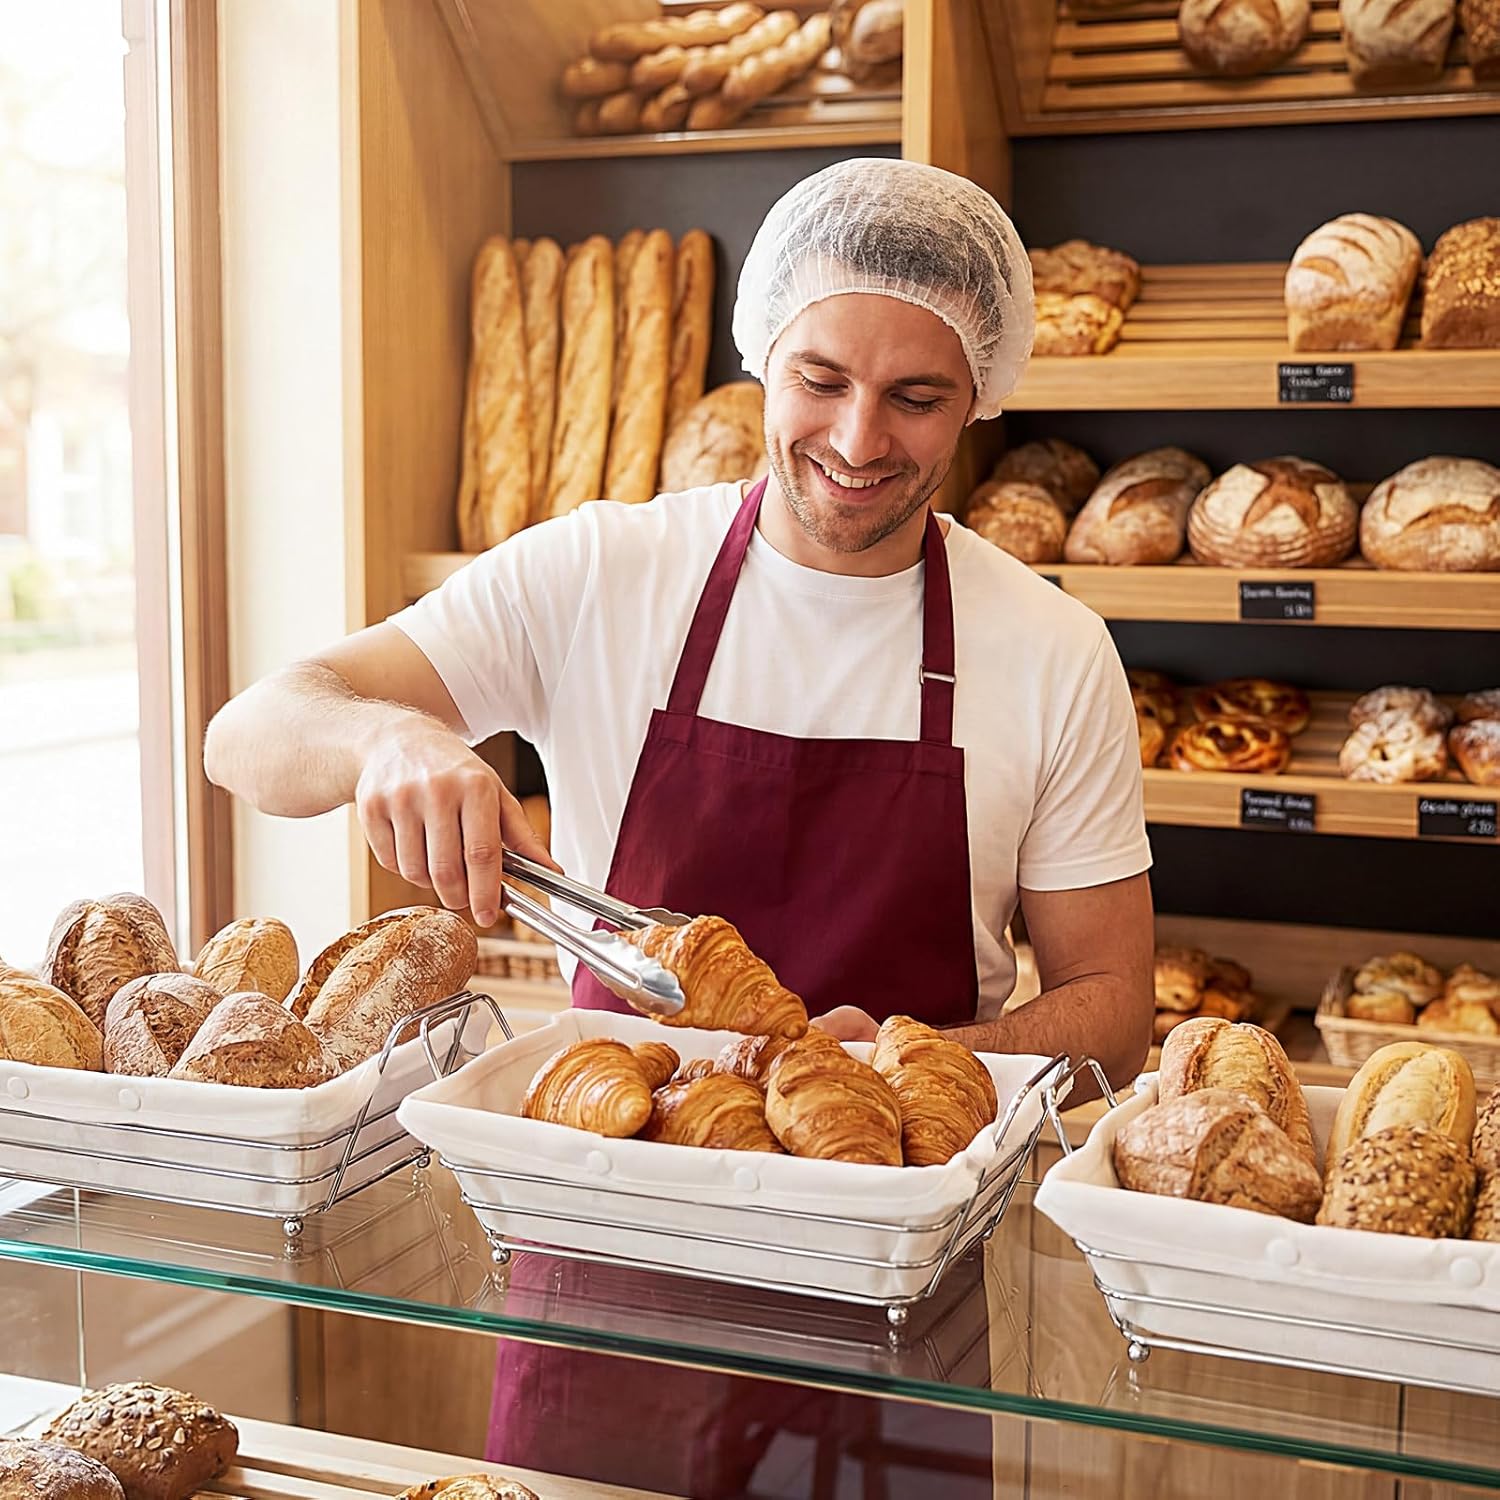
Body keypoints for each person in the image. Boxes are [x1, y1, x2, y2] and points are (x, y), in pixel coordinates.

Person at [206, 158, 1153, 1496]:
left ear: (982, 399)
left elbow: (1115, 1010)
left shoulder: (1052, 650)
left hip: (895, 1263)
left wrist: (910, 1066)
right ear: (763, 351)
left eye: (917, 397)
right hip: (610, 1252)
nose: (859, 437)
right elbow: (249, 732)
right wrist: (389, 735)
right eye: (820, 379)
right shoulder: (606, 571)